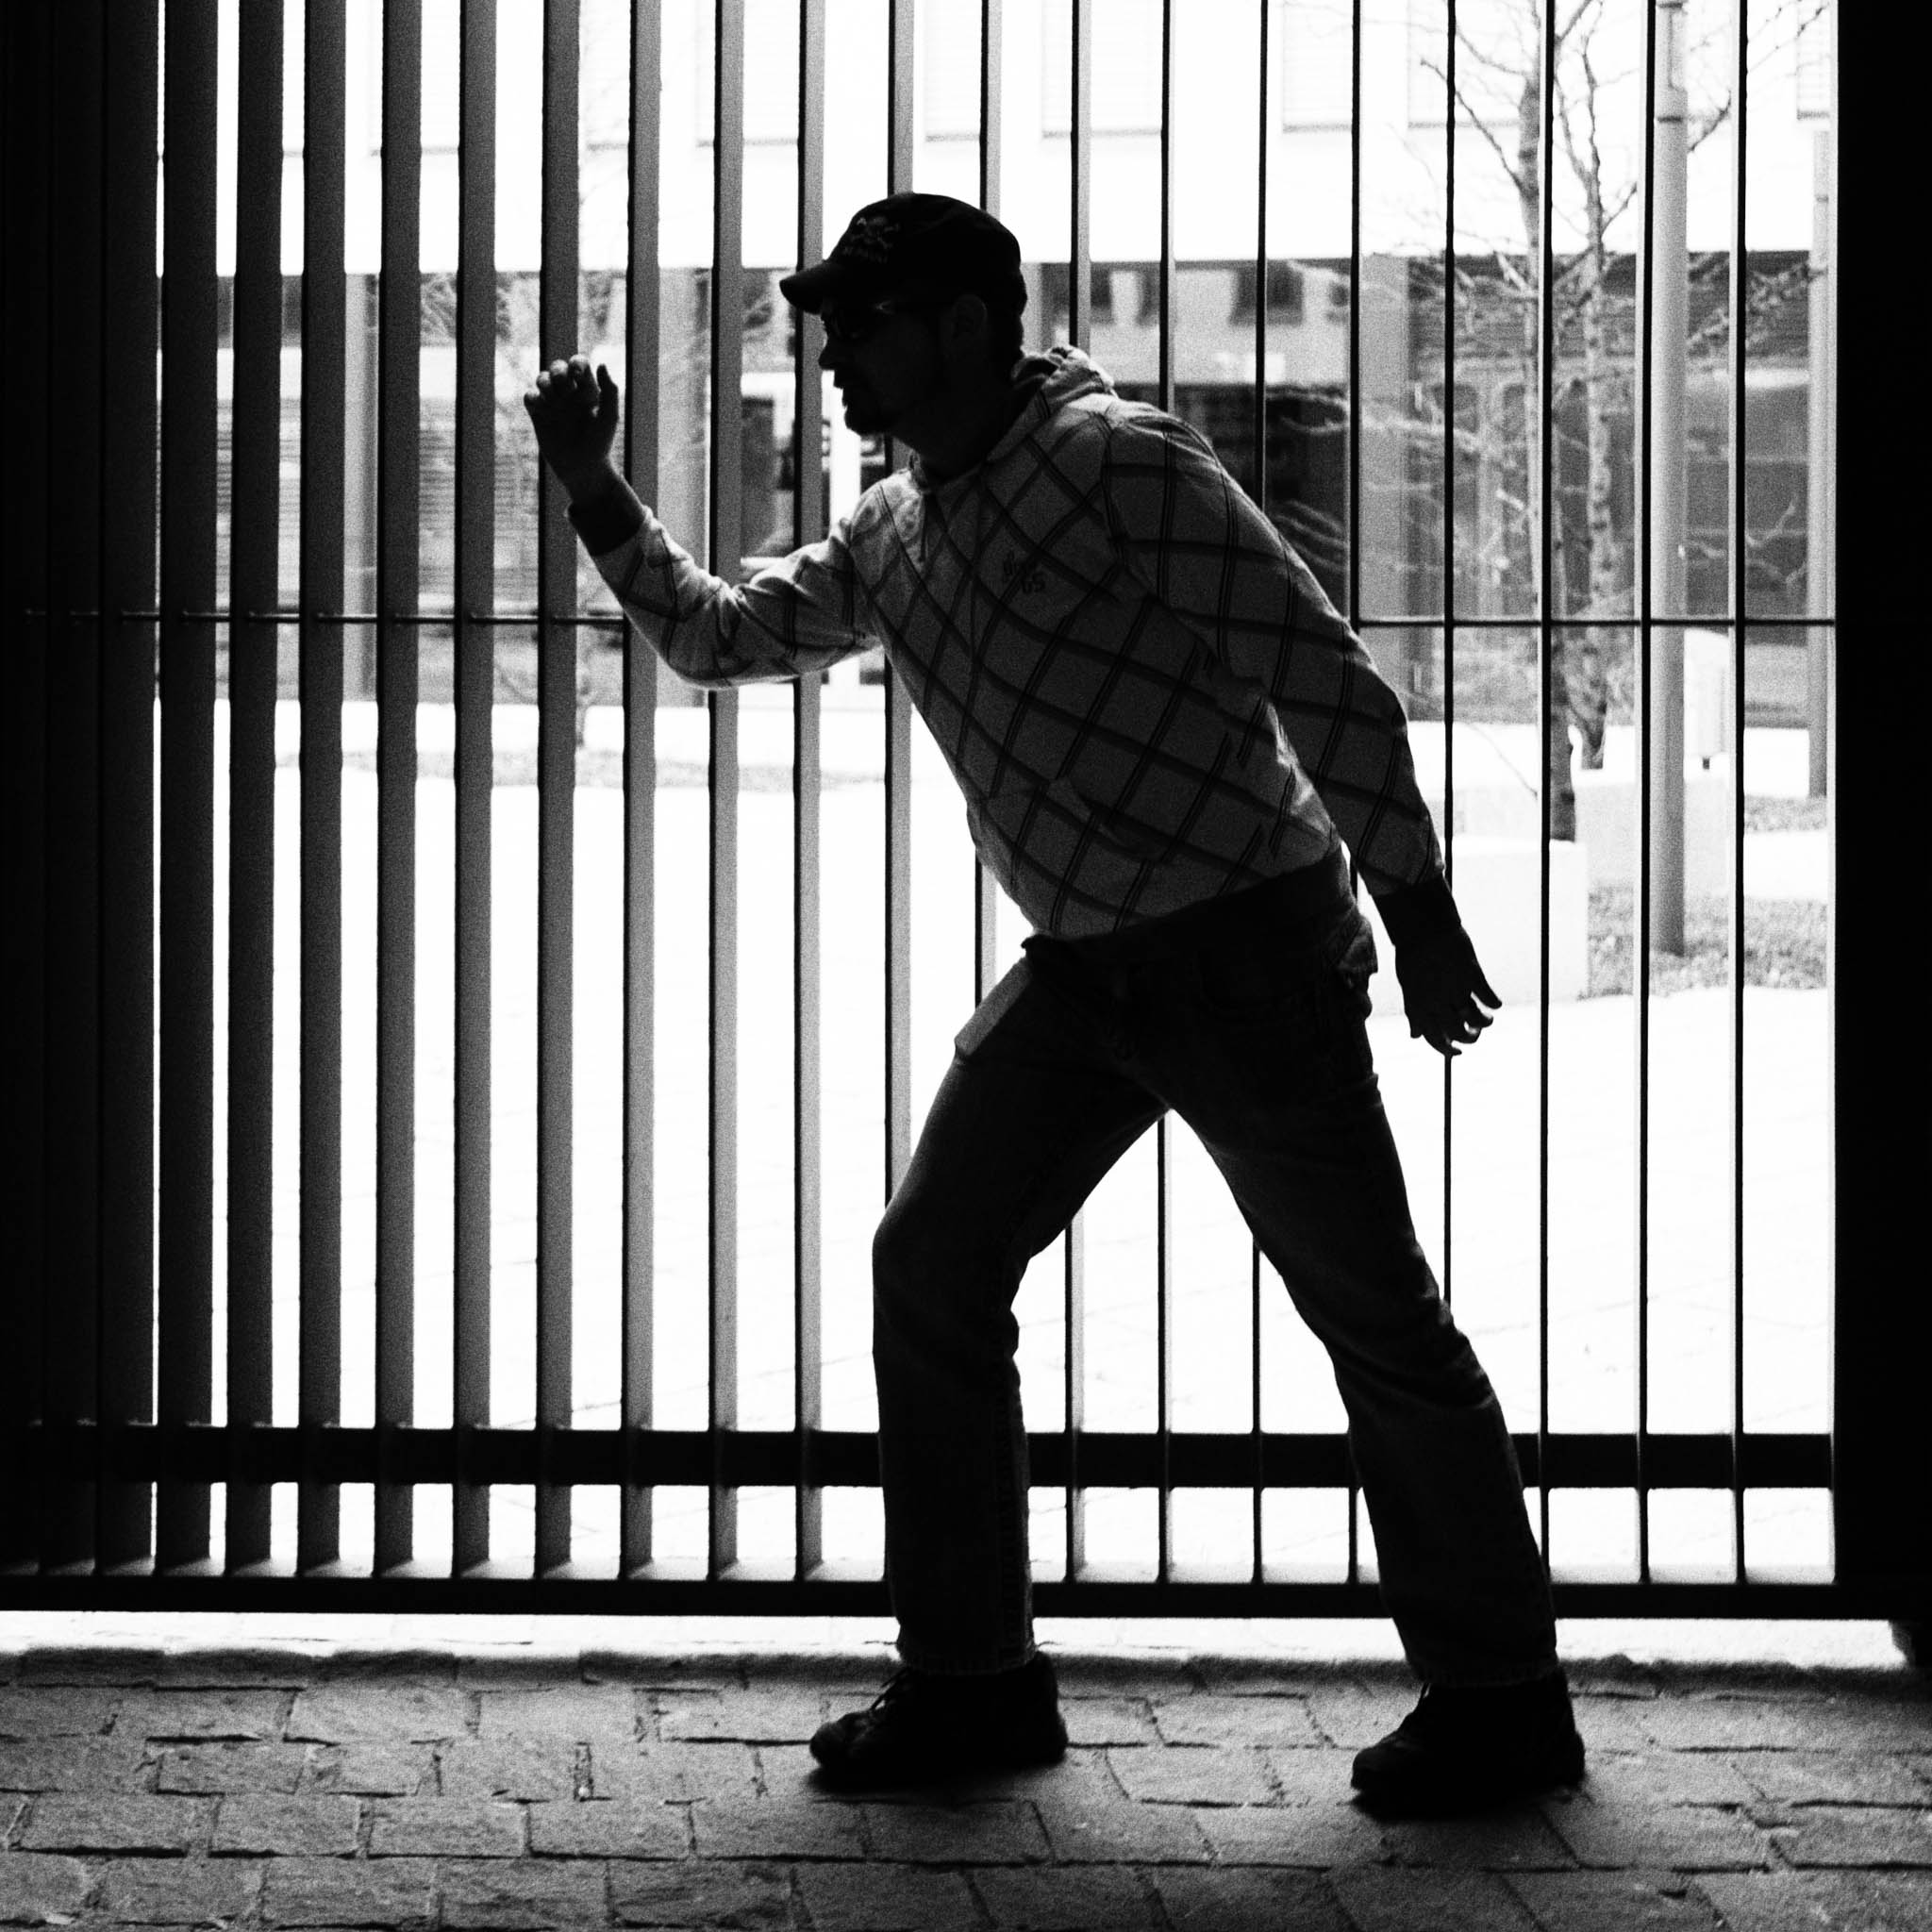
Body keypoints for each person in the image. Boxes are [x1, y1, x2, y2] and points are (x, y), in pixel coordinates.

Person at [525, 192, 1584, 1817]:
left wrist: (1419, 910)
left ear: (967, 324)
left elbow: (1323, 674)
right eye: (826, 329)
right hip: (1091, 969)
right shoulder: (897, 527)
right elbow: (729, 639)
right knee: (934, 1268)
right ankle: (974, 1683)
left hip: (1246, 955)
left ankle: (1504, 1699)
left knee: (1376, 1319)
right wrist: (598, 491)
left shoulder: (1124, 464)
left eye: (860, 325)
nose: (831, 359)